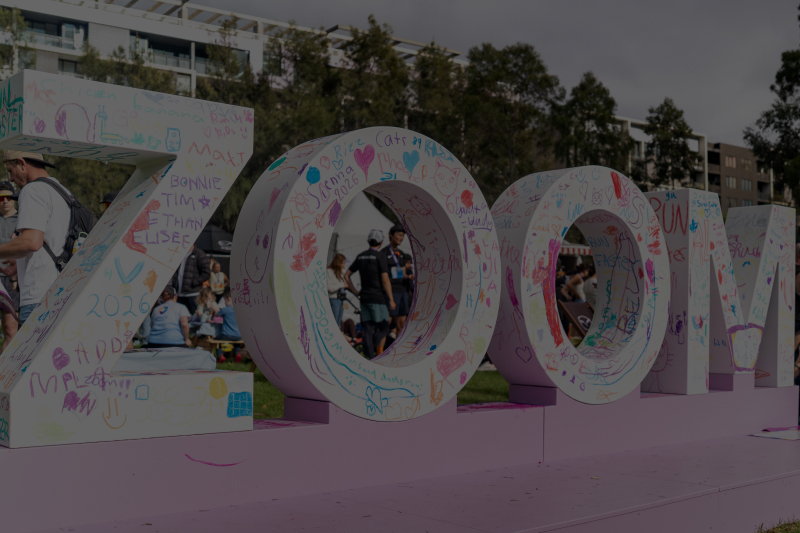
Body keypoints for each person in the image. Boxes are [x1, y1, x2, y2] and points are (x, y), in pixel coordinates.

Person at [0, 152, 70, 325]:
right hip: (62, 294)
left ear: (22, 164)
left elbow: (31, 241)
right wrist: (19, 260)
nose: (11, 179)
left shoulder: (33, 190)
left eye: (10, 170)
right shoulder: (62, 191)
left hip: (37, 298)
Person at [345, 229, 395, 360]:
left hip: (364, 297)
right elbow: (385, 280)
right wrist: (391, 299)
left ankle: (369, 356)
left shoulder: (361, 256)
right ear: (381, 242)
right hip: (377, 297)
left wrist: (355, 291)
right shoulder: (380, 256)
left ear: (368, 241)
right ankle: (367, 348)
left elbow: (347, 275)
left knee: (368, 329)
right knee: (384, 328)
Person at [380, 225, 412, 345]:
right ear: (391, 235)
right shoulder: (383, 253)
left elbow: (403, 273)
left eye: (403, 236)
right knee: (385, 324)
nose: (401, 238)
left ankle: (397, 350)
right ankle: (379, 351)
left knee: (401, 325)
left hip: (402, 291)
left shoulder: (402, 254)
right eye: (399, 235)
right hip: (390, 291)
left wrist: (409, 277)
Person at [0, 181, 18, 350]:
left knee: (11, 329)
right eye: (0, 198)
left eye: (8, 197)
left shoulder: (23, 220)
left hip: (12, 280)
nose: (4, 201)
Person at [170, 244, 210, 315]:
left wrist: (194, 282)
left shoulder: (199, 254)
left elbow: (206, 273)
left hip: (193, 294)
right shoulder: (178, 253)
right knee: (180, 317)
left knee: (195, 317)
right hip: (179, 294)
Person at [216, 289, 243, 363]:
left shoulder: (225, 309)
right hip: (238, 335)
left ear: (229, 299)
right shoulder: (239, 310)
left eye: (225, 301)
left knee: (217, 340)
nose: (224, 303)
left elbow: (217, 314)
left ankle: (220, 355)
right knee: (236, 343)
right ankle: (238, 353)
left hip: (227, 335)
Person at [327, 253, 347, 328]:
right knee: (334, 324)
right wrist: (342, 285)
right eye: (342, 263)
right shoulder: (329, 271)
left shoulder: (341, 272)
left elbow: (346, 281)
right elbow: (329, 288)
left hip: (341, 299)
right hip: (334, 299)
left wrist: (343, 271)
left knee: (338, 324)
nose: (343, 265)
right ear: (338, 262)